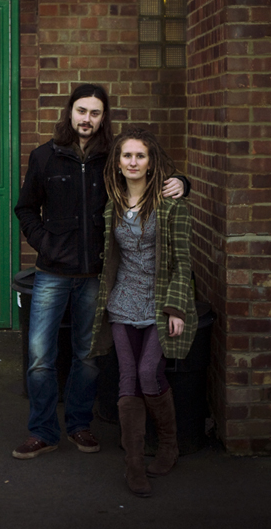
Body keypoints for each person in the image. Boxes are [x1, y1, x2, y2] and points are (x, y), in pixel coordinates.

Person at [13, 84, 189, 460]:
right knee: (40, 355)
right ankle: (42, 431)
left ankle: (79, 424)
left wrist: (183, 183)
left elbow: (152, 174)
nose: (87, 119)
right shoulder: (44, 157)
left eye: (95, 113)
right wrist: (44, 243)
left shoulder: (112, 157)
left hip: (96, 274)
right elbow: (25, 208)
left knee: (88, 355)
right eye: (81, 111)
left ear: (103, 117)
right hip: (52, 272)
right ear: (70, 112)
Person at [88, 126, 198, 497]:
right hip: (122, 301)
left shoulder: (171, 205)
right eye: (127, 156)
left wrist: (176, 307)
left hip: (159, 303)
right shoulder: (112, 206)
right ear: (117, 163)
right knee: (127, 378)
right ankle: (134, 463)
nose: (133, 162)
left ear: (151, 163)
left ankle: (168, 446)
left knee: (150, 372)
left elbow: (183, 262)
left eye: (140, 155)